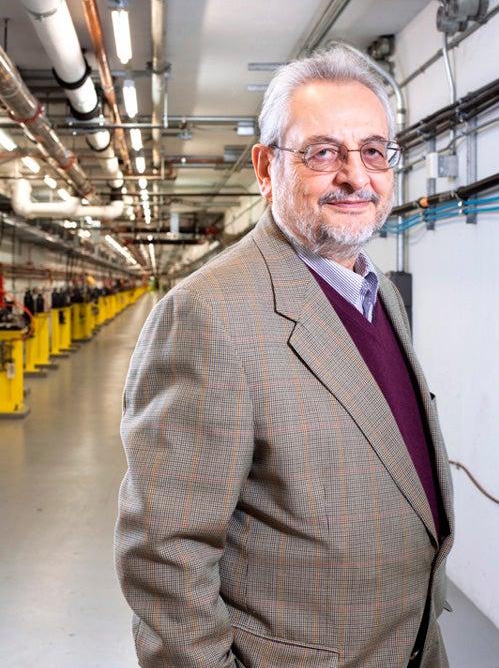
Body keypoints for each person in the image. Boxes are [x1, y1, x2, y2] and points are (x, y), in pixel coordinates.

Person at [115, 45, 454, 668]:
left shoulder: (378, 294)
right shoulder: (210, 313)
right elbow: (164, 553)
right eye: (324, 152)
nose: (357, 176)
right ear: (267, 167)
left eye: (374, 151)